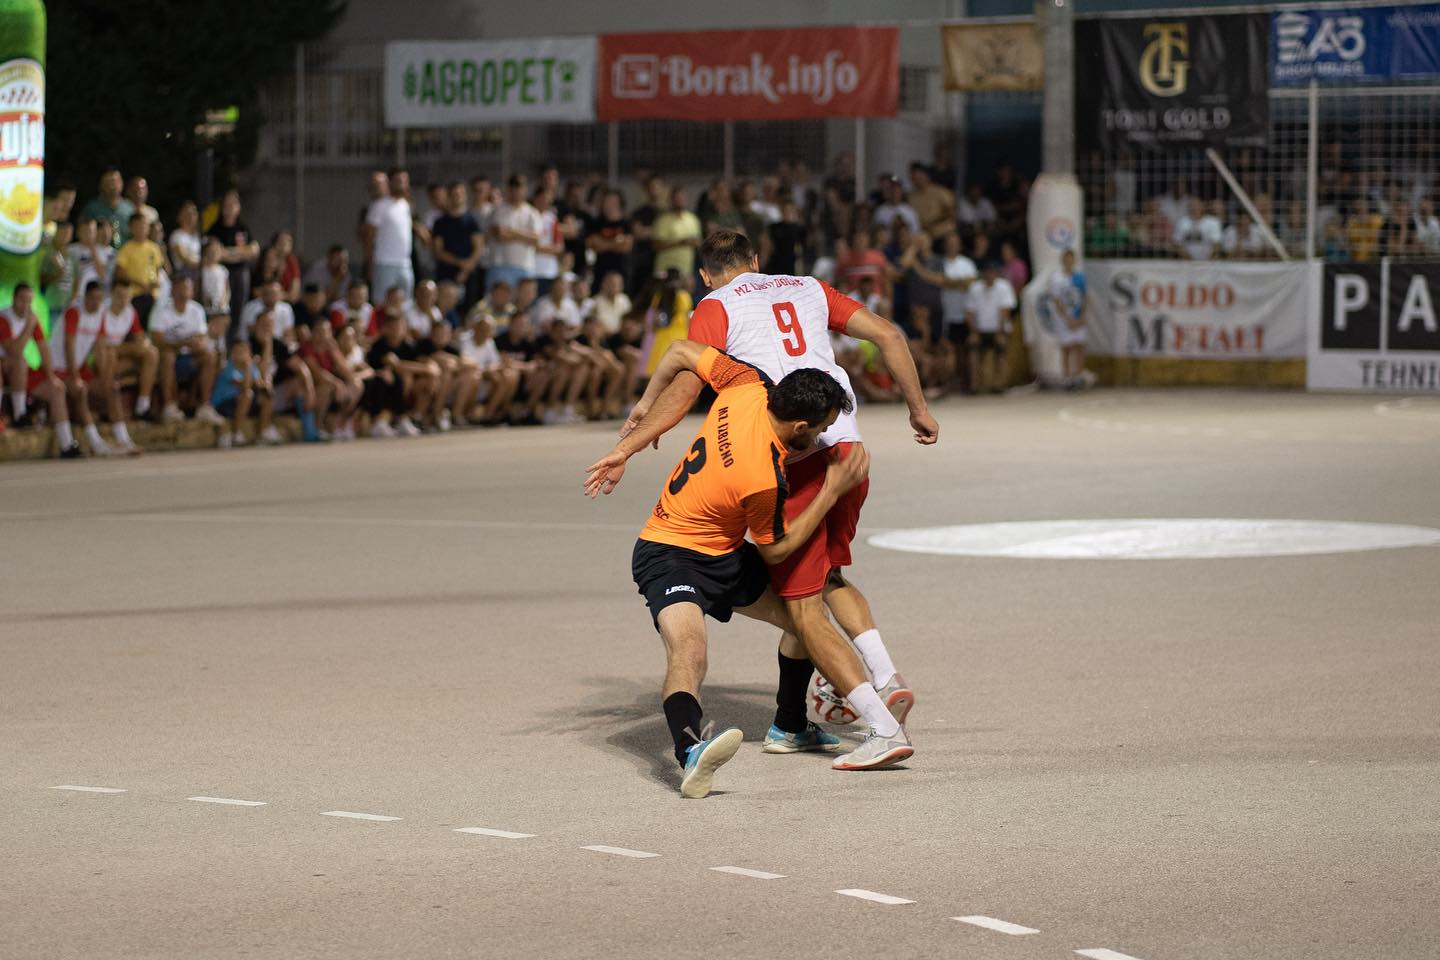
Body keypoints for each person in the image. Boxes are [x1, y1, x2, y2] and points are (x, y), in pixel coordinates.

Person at [618, 230, 939, 769]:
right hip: (847, 447)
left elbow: (685, 377)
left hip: (799, 461)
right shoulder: (810, 287)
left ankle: (874, 713)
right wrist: (918, 410)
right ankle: (859, 687)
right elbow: (888, 334)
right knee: (821, 581)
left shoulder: (727, 339)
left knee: (804, 603)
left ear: (705, 275)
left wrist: (638, 430)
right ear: (759, 262)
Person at [584, 341, 875, 797]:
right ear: (800, 424)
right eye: (820, 430)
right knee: (691, 653)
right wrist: (832, 489)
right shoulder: (761, 476)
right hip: (668, 552)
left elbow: (681, 350)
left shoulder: (747, 385)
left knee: (804, 617)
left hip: (723, 553)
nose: (822, 440)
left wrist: (629, 442)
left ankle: (791, 724)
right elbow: (777, 551)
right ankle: (689, 752)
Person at [0, 285, 82, 455]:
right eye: (22, 300)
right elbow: (13, 351)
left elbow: (43, 348)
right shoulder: (4, 318)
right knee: (20, 361)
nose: (26, 305)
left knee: (57, 388)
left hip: (18, 374)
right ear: (14, 299)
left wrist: (51, 376)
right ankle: (19, 414)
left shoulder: (31, 319)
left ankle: (67, 444)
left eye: (29, 301)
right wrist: (29, 326)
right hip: (6, 368)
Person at [49, 280, 125, 455]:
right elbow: (69, 345)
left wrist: (105, 377)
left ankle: (123, 440)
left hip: (80, 368)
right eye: (92, 299)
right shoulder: (74, 313)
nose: (96, 303)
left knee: (112, 388)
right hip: (59, 369)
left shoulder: (101, 315)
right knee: (81, 390)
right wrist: (75, 377)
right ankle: (95, 442)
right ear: (85, 297)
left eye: (99, 299)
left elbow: (100, 348)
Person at [149, 275, 225, 425]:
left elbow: (201, 338)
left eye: (189, 288)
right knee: (168, 356)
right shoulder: (161, 310)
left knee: (210, 355)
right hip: (169, 359)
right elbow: (158, 341)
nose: (186, 291)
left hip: (190, 357)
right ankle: (169, 407)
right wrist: (183, 343)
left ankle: (204, 406)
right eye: (183, 287)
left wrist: (193, 345)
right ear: (173, 290)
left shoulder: (196, 310)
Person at [250, 310, 321, 444]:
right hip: (255, 393)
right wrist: (267, 345)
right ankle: (264, 431)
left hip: (275, 394)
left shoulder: (278, 344)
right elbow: (262, 373)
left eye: (270, 324)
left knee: (299, 385)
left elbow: (301, 367)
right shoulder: (249, 344)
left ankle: (310, 431)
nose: (267, 328)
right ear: (255, 325)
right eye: (263, 324)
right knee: (267, 386)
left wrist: (310, 390)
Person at [364, 309, 435, 438]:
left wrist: (421, 368)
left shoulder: (408, 345)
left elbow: (426, 365)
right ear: (386, 328)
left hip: (396, 381)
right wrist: (422, 368)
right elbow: (394, 365)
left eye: (400, 326)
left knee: (423, 380)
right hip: (375, 381)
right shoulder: (379, 345)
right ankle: (379, 423)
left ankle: (410, 419)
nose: (397, 330)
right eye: (393, 327)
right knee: (395, 379)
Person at [206, 189, 260, 336]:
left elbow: (253, 250)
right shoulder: (215, 229)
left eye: (233, 204)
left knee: (238, 310)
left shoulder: (242, 228)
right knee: (223, 310)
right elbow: (217, 253)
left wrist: (229, 252)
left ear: (238, 207)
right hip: (221, 275)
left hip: (240, 273)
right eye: (226, 205)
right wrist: (240, 252)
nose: (229, 208)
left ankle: (235, 341)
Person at [362, 168, 419, 302]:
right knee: (382, 303)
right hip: (384, 263)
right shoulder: (379, 206)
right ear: (390, 182)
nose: (402, 184)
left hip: (405, 264)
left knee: (406, 304)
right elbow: (369, 238)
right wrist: (370, 264)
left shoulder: (405, 205)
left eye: (405, 181)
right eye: (398, 181)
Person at [965, 260, 1016, 394]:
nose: (989, 275)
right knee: (972, 345)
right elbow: (970, 313)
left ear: (996, 274)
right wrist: (974, 332)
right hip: (980, 330)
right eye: (987, 273)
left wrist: (999, 332)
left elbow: (1005, 312)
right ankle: (974, 385)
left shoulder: (1003, 287)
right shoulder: (974, 288)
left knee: (1001, 345)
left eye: (992, 272)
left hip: (999, 329)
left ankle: (999, 384)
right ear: (983, 274)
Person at [431, 180, 485, 305]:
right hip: (446, 273)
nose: (458, 197)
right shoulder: (440, 222)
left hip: (468, 275)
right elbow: (438, 251)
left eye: (461, 194)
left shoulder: (472, 221)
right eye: (454, 194)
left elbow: (479, 247)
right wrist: (461, 263)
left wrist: (465, 270)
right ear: (449, 197)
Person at [1041, 249, 1088, 388]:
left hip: (1079, 316)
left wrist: (1082, 316)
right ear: (1063, 260)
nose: (1069, 261)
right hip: (1064, 319)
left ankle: (1078, 376)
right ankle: (1067, 378)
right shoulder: (1057, 278)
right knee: (1066, 348)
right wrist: (1067, 319)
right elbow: (1057, 301)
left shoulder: (1079, 277)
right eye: (1066, 258)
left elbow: (1084, 296)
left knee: (1080, 346)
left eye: (1071, 258)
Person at [488, 175, 542, 294]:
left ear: (526, 189)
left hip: (525, 267)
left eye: (520, 187)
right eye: (513, 187)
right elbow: (500, 236)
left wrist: (511, 231)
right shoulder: (498, 210)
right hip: (500, 266)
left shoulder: (532, 213)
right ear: (508, 189)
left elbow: (536, 240)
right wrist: (526, 236)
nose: (516, 191)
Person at [211, 339, 267, 450]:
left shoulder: (253, 368)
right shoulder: (228, 368)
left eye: (244, 351)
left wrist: (266, 384)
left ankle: (261, 435)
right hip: (223, 404)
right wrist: (248, 367)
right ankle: (236, 434)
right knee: (248, 394)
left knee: (266, 397)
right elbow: (245, 387)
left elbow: (260, 384)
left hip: (241, 402)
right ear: (232, 355)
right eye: (238, 352)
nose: (242, 355)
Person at [115, 212, 168, 326]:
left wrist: (155, 282)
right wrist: (140, 284)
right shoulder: (126, 249)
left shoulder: (154, 248)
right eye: (137, 226)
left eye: (144, 225)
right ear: (131, 228)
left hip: (152, 295)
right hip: (134, 296)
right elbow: (120, 273)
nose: (141, 229)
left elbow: (157, 268)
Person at [80, 169, 135, 248]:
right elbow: (81, 233)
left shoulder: (129, 208)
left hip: (126, 254)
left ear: (122, 183)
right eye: (109, 182)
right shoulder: (92, 208)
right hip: (99, 255)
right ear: (101, 185)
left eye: (116, 181)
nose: (113, 186)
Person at [168, 202, 203, 279]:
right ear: (179, 216)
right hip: (184, 275)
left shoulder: (199, 236)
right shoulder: (176, 235)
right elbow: (184, 258)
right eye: (187, 213)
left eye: (193, 213)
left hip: (200, 271)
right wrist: (204, 262)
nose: (190, 217)